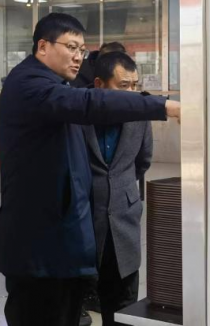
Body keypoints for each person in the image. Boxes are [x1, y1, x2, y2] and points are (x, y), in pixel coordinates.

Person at [0, 13, 180, 326]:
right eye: (71, 47)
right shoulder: (31, 86)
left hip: (58, 246)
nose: (78, 57)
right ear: (43, 46)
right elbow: (89, 103)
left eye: (82, 50)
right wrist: (164, 105)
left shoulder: (54, 84)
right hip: (39, 250)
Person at [82, 52, 153, 326]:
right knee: (80, 300)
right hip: (86, 222)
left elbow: (143, 161)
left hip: (125, 223)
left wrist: (120, 189)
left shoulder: (140, 115)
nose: (132, 92)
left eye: (135, 85)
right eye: (124, 85)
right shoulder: (78, 113)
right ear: (99, 84)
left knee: (124, 307)